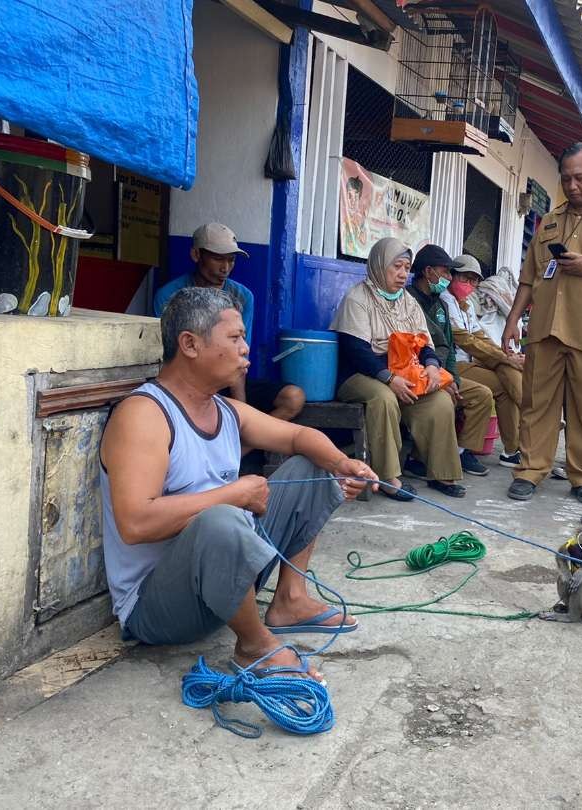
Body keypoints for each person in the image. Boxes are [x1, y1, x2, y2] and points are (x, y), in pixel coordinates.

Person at [101, 287, 376, 682]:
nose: (246, 349)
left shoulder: (225, 409)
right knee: (222, 518)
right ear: (190, 344)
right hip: (157, 607)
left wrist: (343, 463)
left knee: (308, 467)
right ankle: (253, 645)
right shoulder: (144, 414)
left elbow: (298, 438)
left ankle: (289, 600)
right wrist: (233, 495)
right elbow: (135, 523)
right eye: (234, 338)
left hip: (225, 579)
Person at [502, 142, 582, 506]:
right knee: (536, 403)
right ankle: (530, 470)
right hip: (545, 327)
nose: (572, 186)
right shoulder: (552, 220)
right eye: (566, 179)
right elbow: (529, 276)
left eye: (579, 178)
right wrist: (513, 320)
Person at [332, 237, 468, 500]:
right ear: (379, 265)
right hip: (361, 374)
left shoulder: (407, 301)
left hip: (404, 373)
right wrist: (389, 379)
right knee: (383, 398)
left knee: (440, 400)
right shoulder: (357, 298)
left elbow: (424, 343)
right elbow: (355, 350)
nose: (403, 273)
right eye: (396, 267)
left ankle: (442, 472)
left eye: (406, 267)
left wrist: (431, 366)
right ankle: (387, 476)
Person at [153, 223, 306, 423]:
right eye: (217, 259)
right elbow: (166, 356)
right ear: (196, 255)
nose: (225, 268)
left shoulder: (242, 296)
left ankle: (242, 447)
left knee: (293, 398)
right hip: (188, 383)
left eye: (231, 260)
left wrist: (240, 415)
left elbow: (239, 357)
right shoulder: (169, 296)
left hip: (228, 379)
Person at [406, 245, 496, 477]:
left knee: (481, 395)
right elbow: (420, 348)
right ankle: (418, 457)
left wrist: (453, 377)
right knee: (446, 400)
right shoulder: (409, 301)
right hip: (420, 372)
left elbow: (449, 347)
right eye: (445, 272)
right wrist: (446, 380)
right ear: (428, 272)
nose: (448, 278)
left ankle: (459, 452)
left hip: (444, 372)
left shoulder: (441, 304)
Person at [442, 253, 525, 468]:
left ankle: (510, 450)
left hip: (472, 363)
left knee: (507, 372)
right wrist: (504, 357)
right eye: (464, 279)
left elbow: (480, 337)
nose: (469, 285)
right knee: (500, 382)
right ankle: (463, 451)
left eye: (474, 280)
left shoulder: (465, 306)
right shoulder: (445, 301)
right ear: (452, 277)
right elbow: (466, 340)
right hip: (454, 364)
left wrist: (505, 355)